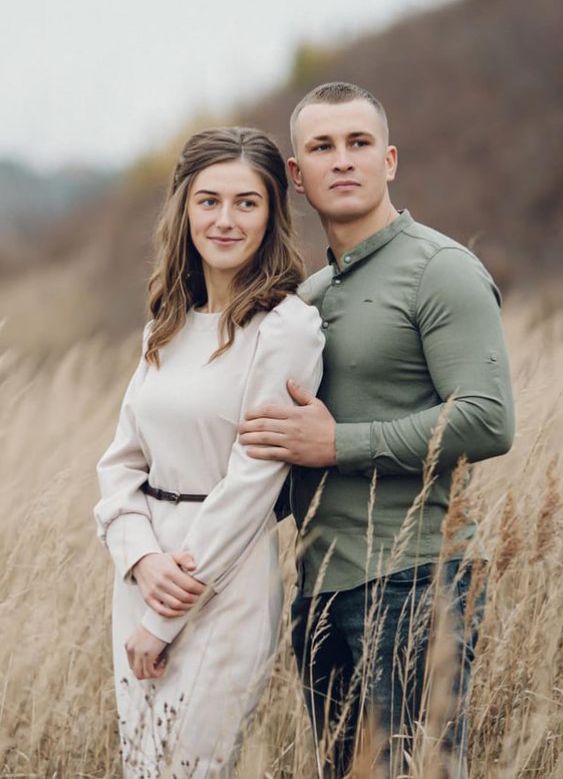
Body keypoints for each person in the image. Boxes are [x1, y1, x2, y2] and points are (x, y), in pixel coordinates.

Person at [238, 82, 515, 778]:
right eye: (322, 147)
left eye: (359, 143)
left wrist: (338, 445)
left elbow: (487, 417)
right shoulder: (308, 298)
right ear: (296, 177)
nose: (344, 160)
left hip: (417, 578)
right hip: (321, 589)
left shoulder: (439, 269)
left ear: (388, 159)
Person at [93, 127, 324, 779]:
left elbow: (253, 487)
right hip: (141, 578)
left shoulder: (285, 328)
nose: (225, 219)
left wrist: (165, 618)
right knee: (145, 767)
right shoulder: (163, 324)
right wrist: (139, 558)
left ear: (271, 214)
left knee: (191, 768)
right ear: (184, 208)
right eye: (210, 200)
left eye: (247, 203)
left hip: (221, 580)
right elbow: (120, 465)